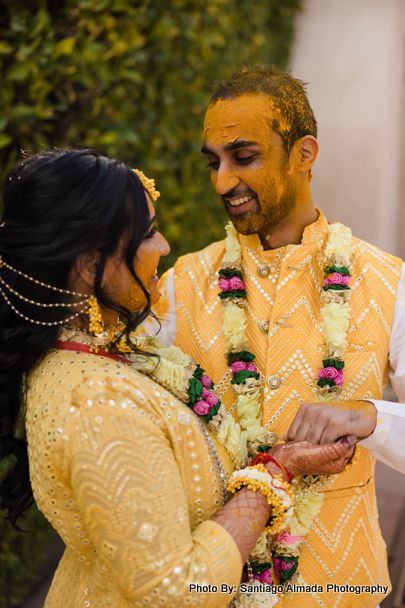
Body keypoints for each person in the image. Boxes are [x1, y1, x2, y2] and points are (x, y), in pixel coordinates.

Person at [0, 149, 355, 608]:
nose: (164, 246)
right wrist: (275, 474)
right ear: (90, 265)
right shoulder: (96, 402)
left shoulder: (101, 354)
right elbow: (176, 591)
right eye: (147, 234)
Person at [144, 65, 405, 608]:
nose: (221, 182)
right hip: (213, 584)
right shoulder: (180, 285)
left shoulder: (388, 282)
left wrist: (371, 417)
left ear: (304, 153)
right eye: (213, 162)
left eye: (244, 157)